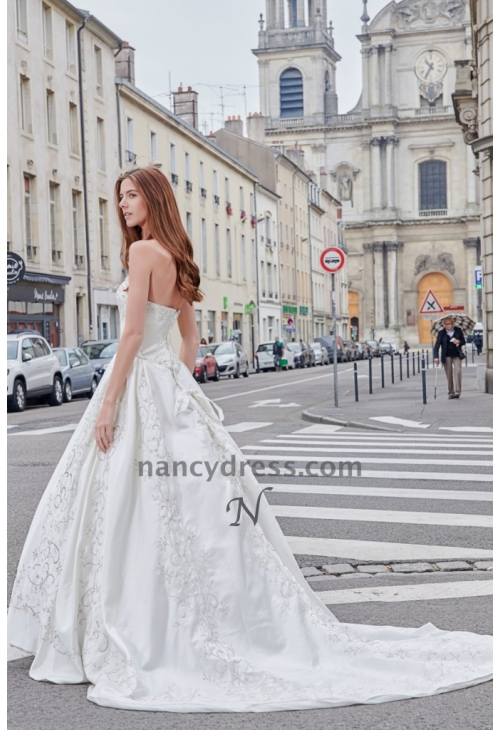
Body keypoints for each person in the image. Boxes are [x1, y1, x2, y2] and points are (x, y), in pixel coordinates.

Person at [8, 167, 491, 713]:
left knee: (125, 506)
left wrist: (113, 400)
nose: (122, 204)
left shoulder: (143, 255)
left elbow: (135, 334)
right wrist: (176, 385)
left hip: (139, 383)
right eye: (119, 196)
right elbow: (188, 336)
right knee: (184, 510)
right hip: (167, 387)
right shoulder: (174, 257)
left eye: (131, 195)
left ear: (154, 199)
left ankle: (119, 619)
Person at [433, 317, 466, 399]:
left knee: (458, 371)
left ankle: (458, 391)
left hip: (457, 355)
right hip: (446, 356)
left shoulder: (458, 330)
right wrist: (436, 357)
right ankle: (451, 392)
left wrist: (459, 341)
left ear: (452, 324)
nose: (447, 325)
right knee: (449, 374)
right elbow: (436, 346)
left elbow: (463, 341)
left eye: (449, 324)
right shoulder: (441, 333)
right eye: (446, 324)